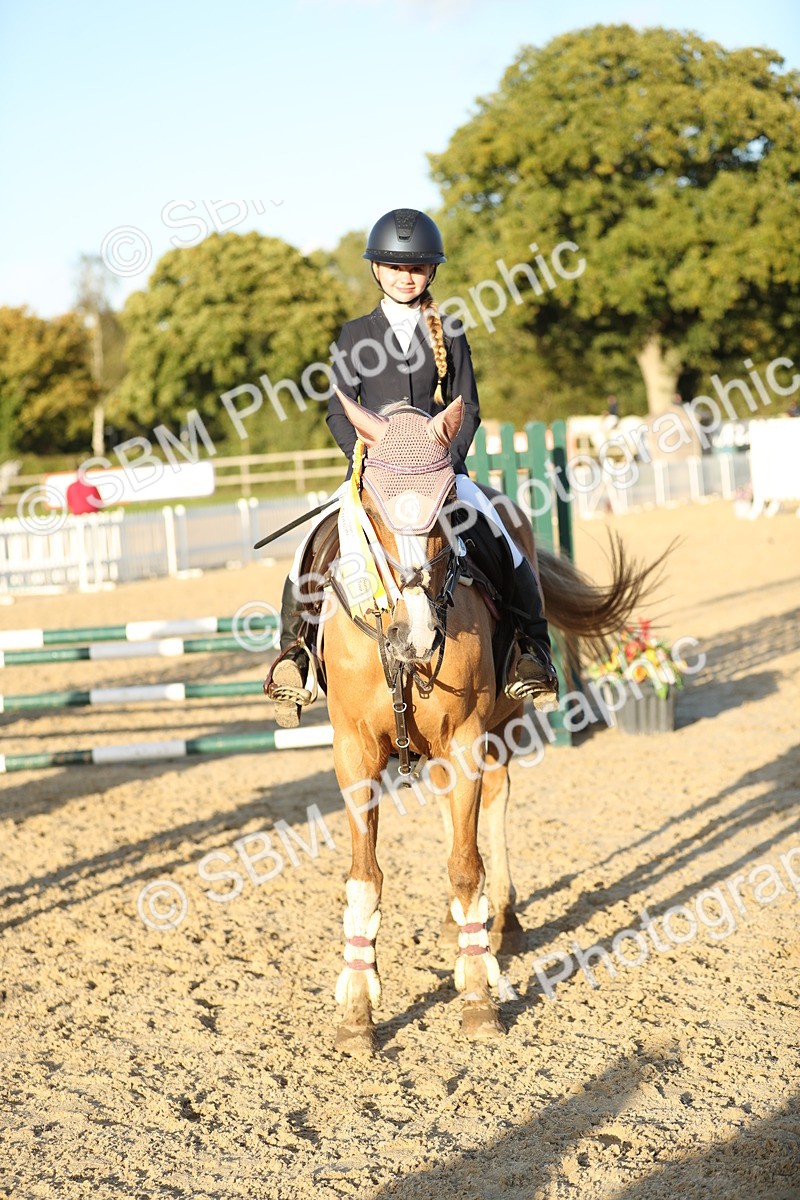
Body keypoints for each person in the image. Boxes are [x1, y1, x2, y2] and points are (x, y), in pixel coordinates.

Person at [269, 208, 558, 726]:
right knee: (309, 544)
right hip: (374, 473)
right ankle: (295, 656)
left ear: (431, 273)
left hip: (438, 473)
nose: (407, 276)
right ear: (377, 270)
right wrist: (367, 462)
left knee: (503, 537)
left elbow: (465, 405)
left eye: (418, 268)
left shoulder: (450, 329)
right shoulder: (354, 333)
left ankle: (533, 653)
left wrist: (445, 461)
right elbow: (339, 410)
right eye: (396, 267)